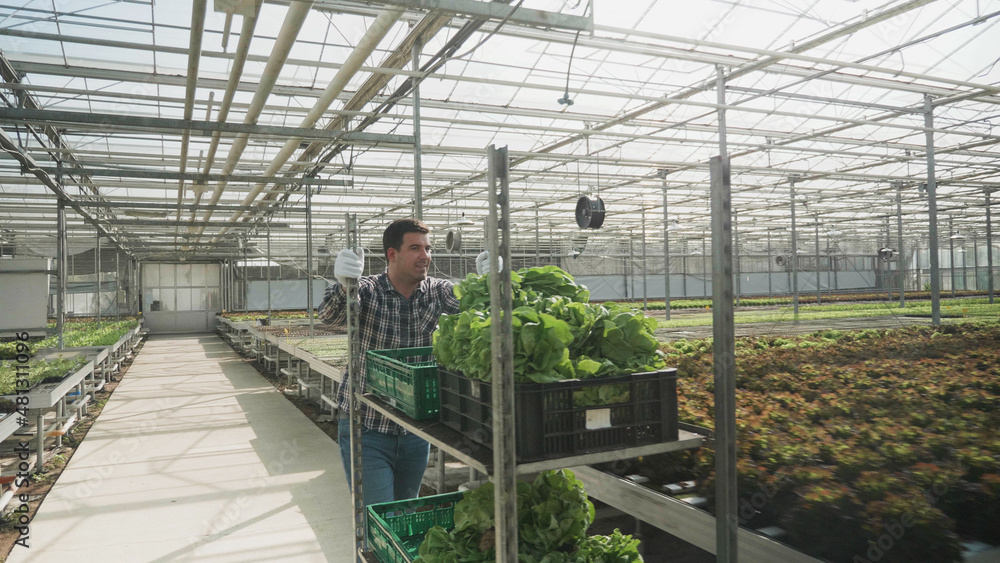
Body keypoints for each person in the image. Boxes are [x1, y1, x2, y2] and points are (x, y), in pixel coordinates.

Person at [318, 217, 496, 505]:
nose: (425, 256)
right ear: (392, 254)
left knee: (404, 510)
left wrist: (488, 288)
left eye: (428, 249)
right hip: (367, 428)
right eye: (416, 248)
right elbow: (330, 317)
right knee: (379, 515)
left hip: (415, 430)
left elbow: (481, 316)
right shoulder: (368, 290)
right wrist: (345, 285)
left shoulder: (438, 292)